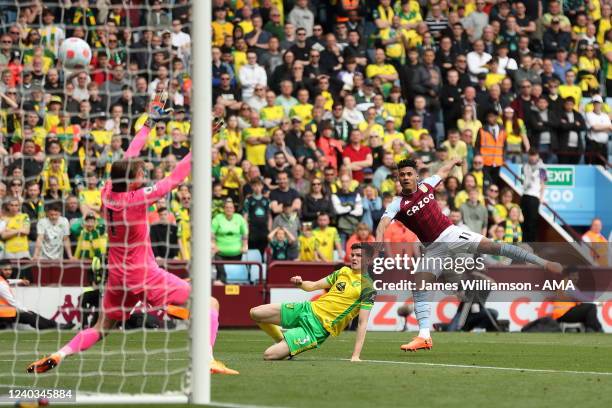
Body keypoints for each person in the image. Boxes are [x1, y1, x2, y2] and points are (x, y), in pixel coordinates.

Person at [27, 95, 236, 375]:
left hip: (117, 276)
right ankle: (207, 359)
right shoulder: (138, 199)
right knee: (209, 302)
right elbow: (176, 176)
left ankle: (60, 353)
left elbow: (129, 154)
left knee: (101, 327)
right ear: (134, 179)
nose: (143, 169)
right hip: (143, 274)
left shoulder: (107, 192)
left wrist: (149, 122)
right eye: (141, 170)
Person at [375, 158, 562, 352]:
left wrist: (454, 160)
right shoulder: (398, 204)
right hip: (433, 249)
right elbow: (382, 225)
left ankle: (543, 262)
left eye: (408, 174)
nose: (405, 178)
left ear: (415, 175)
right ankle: (424, 336)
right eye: (402, 175)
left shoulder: (427, 185)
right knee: (419, 285)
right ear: (398, 177)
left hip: (452, 233)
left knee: (493, 246)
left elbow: (444, 170)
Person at [249, 242, 375, 360]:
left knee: (268, 355)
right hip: (307, 308)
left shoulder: (368, 287)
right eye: (352, 255)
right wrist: (300, 283)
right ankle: (281, 339)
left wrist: (355, 355)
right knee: (255, 313)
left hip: (317, 328)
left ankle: (289, 346)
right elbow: (313, 286)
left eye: (359, 255)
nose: (354, 258)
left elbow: (362, 323)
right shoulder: (343, 271)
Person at [0, 260, 73, 330]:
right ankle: (55, 327)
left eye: (10, 269)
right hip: (5, 313)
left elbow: (8, 281)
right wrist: (25, 310)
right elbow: (12, 301)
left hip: (6, 312)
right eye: (5, 270)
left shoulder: (2, 280)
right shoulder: (2, 284)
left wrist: (21, 281)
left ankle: (56, 325)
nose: (9, 272)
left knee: (32, 314)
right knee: (31, 316)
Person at [520, 149, 547, 242]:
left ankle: (530, 244)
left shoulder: (542, 167)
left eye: (534, 155)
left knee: (532, 222)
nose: (532, 157)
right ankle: (523, 242)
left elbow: (543, 183)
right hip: (524, 195)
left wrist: (541, 197)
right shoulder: (525, 165)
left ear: (538, 155)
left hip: (534, 196)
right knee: (523, 221)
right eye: (531, 155)